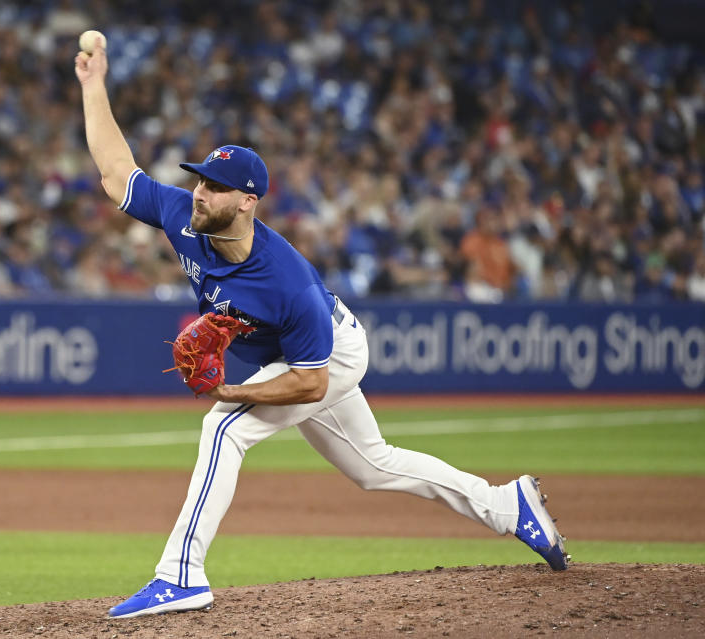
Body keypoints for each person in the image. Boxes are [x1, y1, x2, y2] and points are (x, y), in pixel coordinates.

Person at [75, 38, 568, 620]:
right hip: (295, 357)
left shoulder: (287, 283)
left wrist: (237, 392)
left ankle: (180, 575)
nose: (200, 192)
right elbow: (115, 171)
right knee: (373, 465)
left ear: (248, 202)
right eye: (200, 181)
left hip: (329, 354)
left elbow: (310, 383)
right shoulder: (184, 215)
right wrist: (93, 85)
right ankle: (509, 507)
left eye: (214, 186)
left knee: (224, 427)